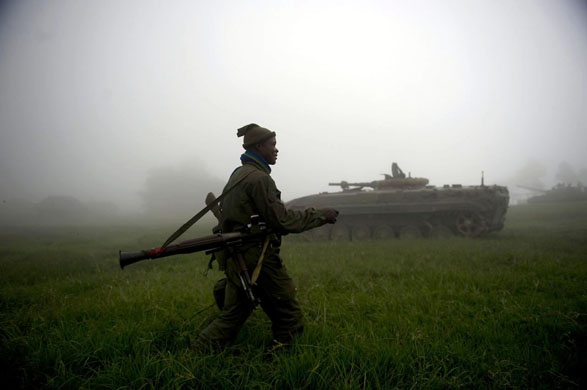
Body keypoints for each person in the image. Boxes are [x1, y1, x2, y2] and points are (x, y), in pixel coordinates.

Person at [193, 123, 338, 352]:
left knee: (233, 314)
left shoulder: (239, 174)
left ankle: (198, 352)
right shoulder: (259, 179)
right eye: (272, 145)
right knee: (289, 314)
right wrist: (320, 215)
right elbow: (281, 220)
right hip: (256, 259)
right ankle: (281, 361)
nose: (276, 150)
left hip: (238, 256)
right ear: (258, 146)